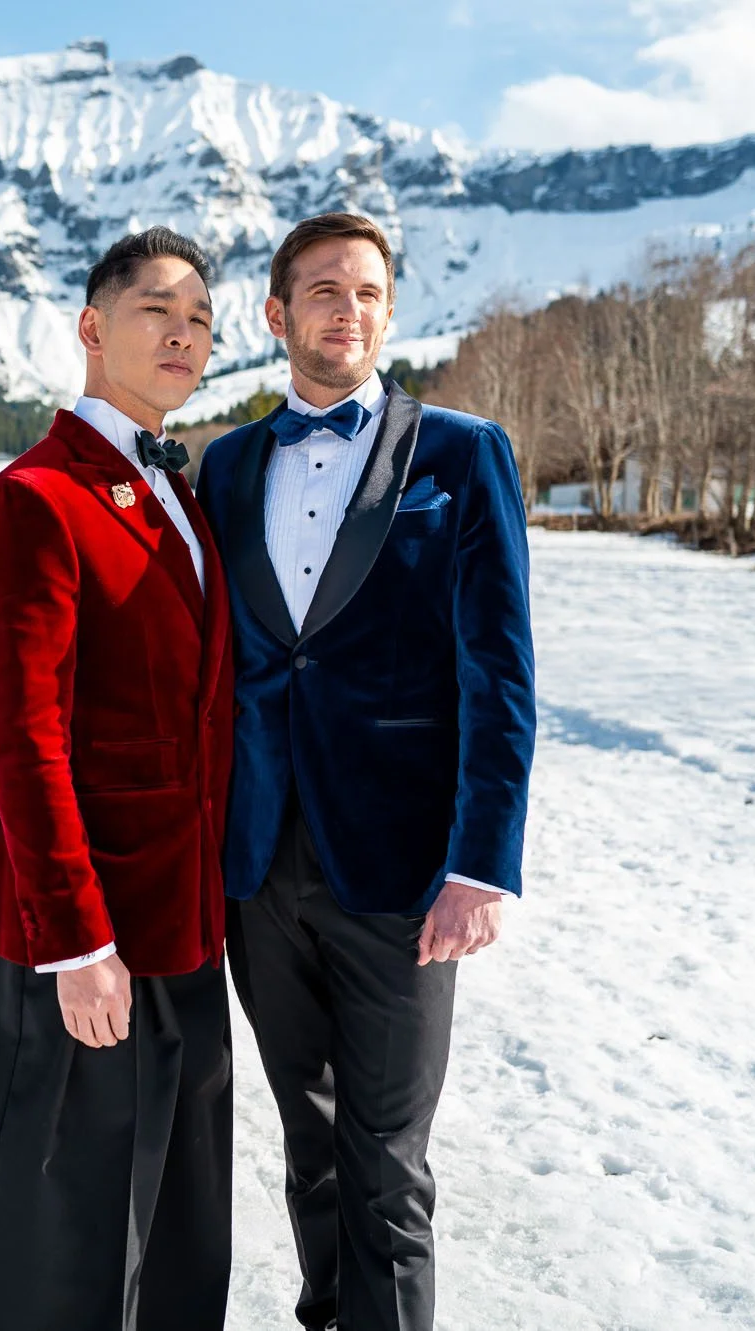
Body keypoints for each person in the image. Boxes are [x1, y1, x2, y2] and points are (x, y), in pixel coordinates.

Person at [196, 212, 536, 1331]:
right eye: (325, 291)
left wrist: (480, 862)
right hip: (258, 866)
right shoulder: (227, 464)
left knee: (387, 1162)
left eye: (369, 293)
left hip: (399, 871)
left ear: (388, 312)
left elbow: (498, 670)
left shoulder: (460, 453)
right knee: (309, 1143)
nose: (348, 311)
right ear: (277, 312)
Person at [0, 227, 234, 1331]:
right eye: (156, 308)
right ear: (89, 327)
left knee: (174, 1247)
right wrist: (78, 944)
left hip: (183, 927)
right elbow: (24, 742)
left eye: (201, 318)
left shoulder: (178, 490)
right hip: (77, 945)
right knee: (57, 1265)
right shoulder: (32, 500)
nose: (182, 331)